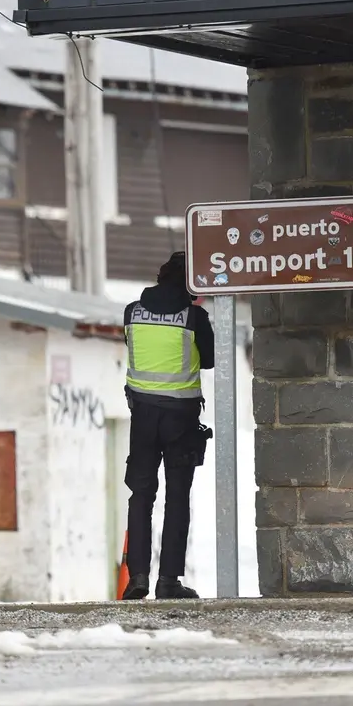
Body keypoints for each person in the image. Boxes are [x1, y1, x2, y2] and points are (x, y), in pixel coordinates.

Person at [121, 251, 214, 600]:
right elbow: (211, 359)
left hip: (142, 417)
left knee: (140, 496)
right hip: (181, 419)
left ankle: (138, 578)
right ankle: (168, 581)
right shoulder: (193, 317)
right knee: (177, 499)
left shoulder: (133, 312)